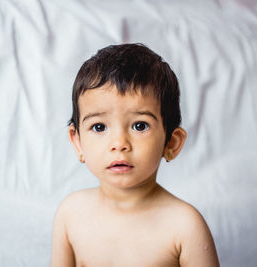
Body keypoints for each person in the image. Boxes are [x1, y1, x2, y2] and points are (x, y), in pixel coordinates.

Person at [51, 43, 220, 267]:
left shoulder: (185, 226)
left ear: (171, 142)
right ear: (78, 141)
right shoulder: (70, 215)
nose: (119, 143)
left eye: (140, 126)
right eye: (99, 127)